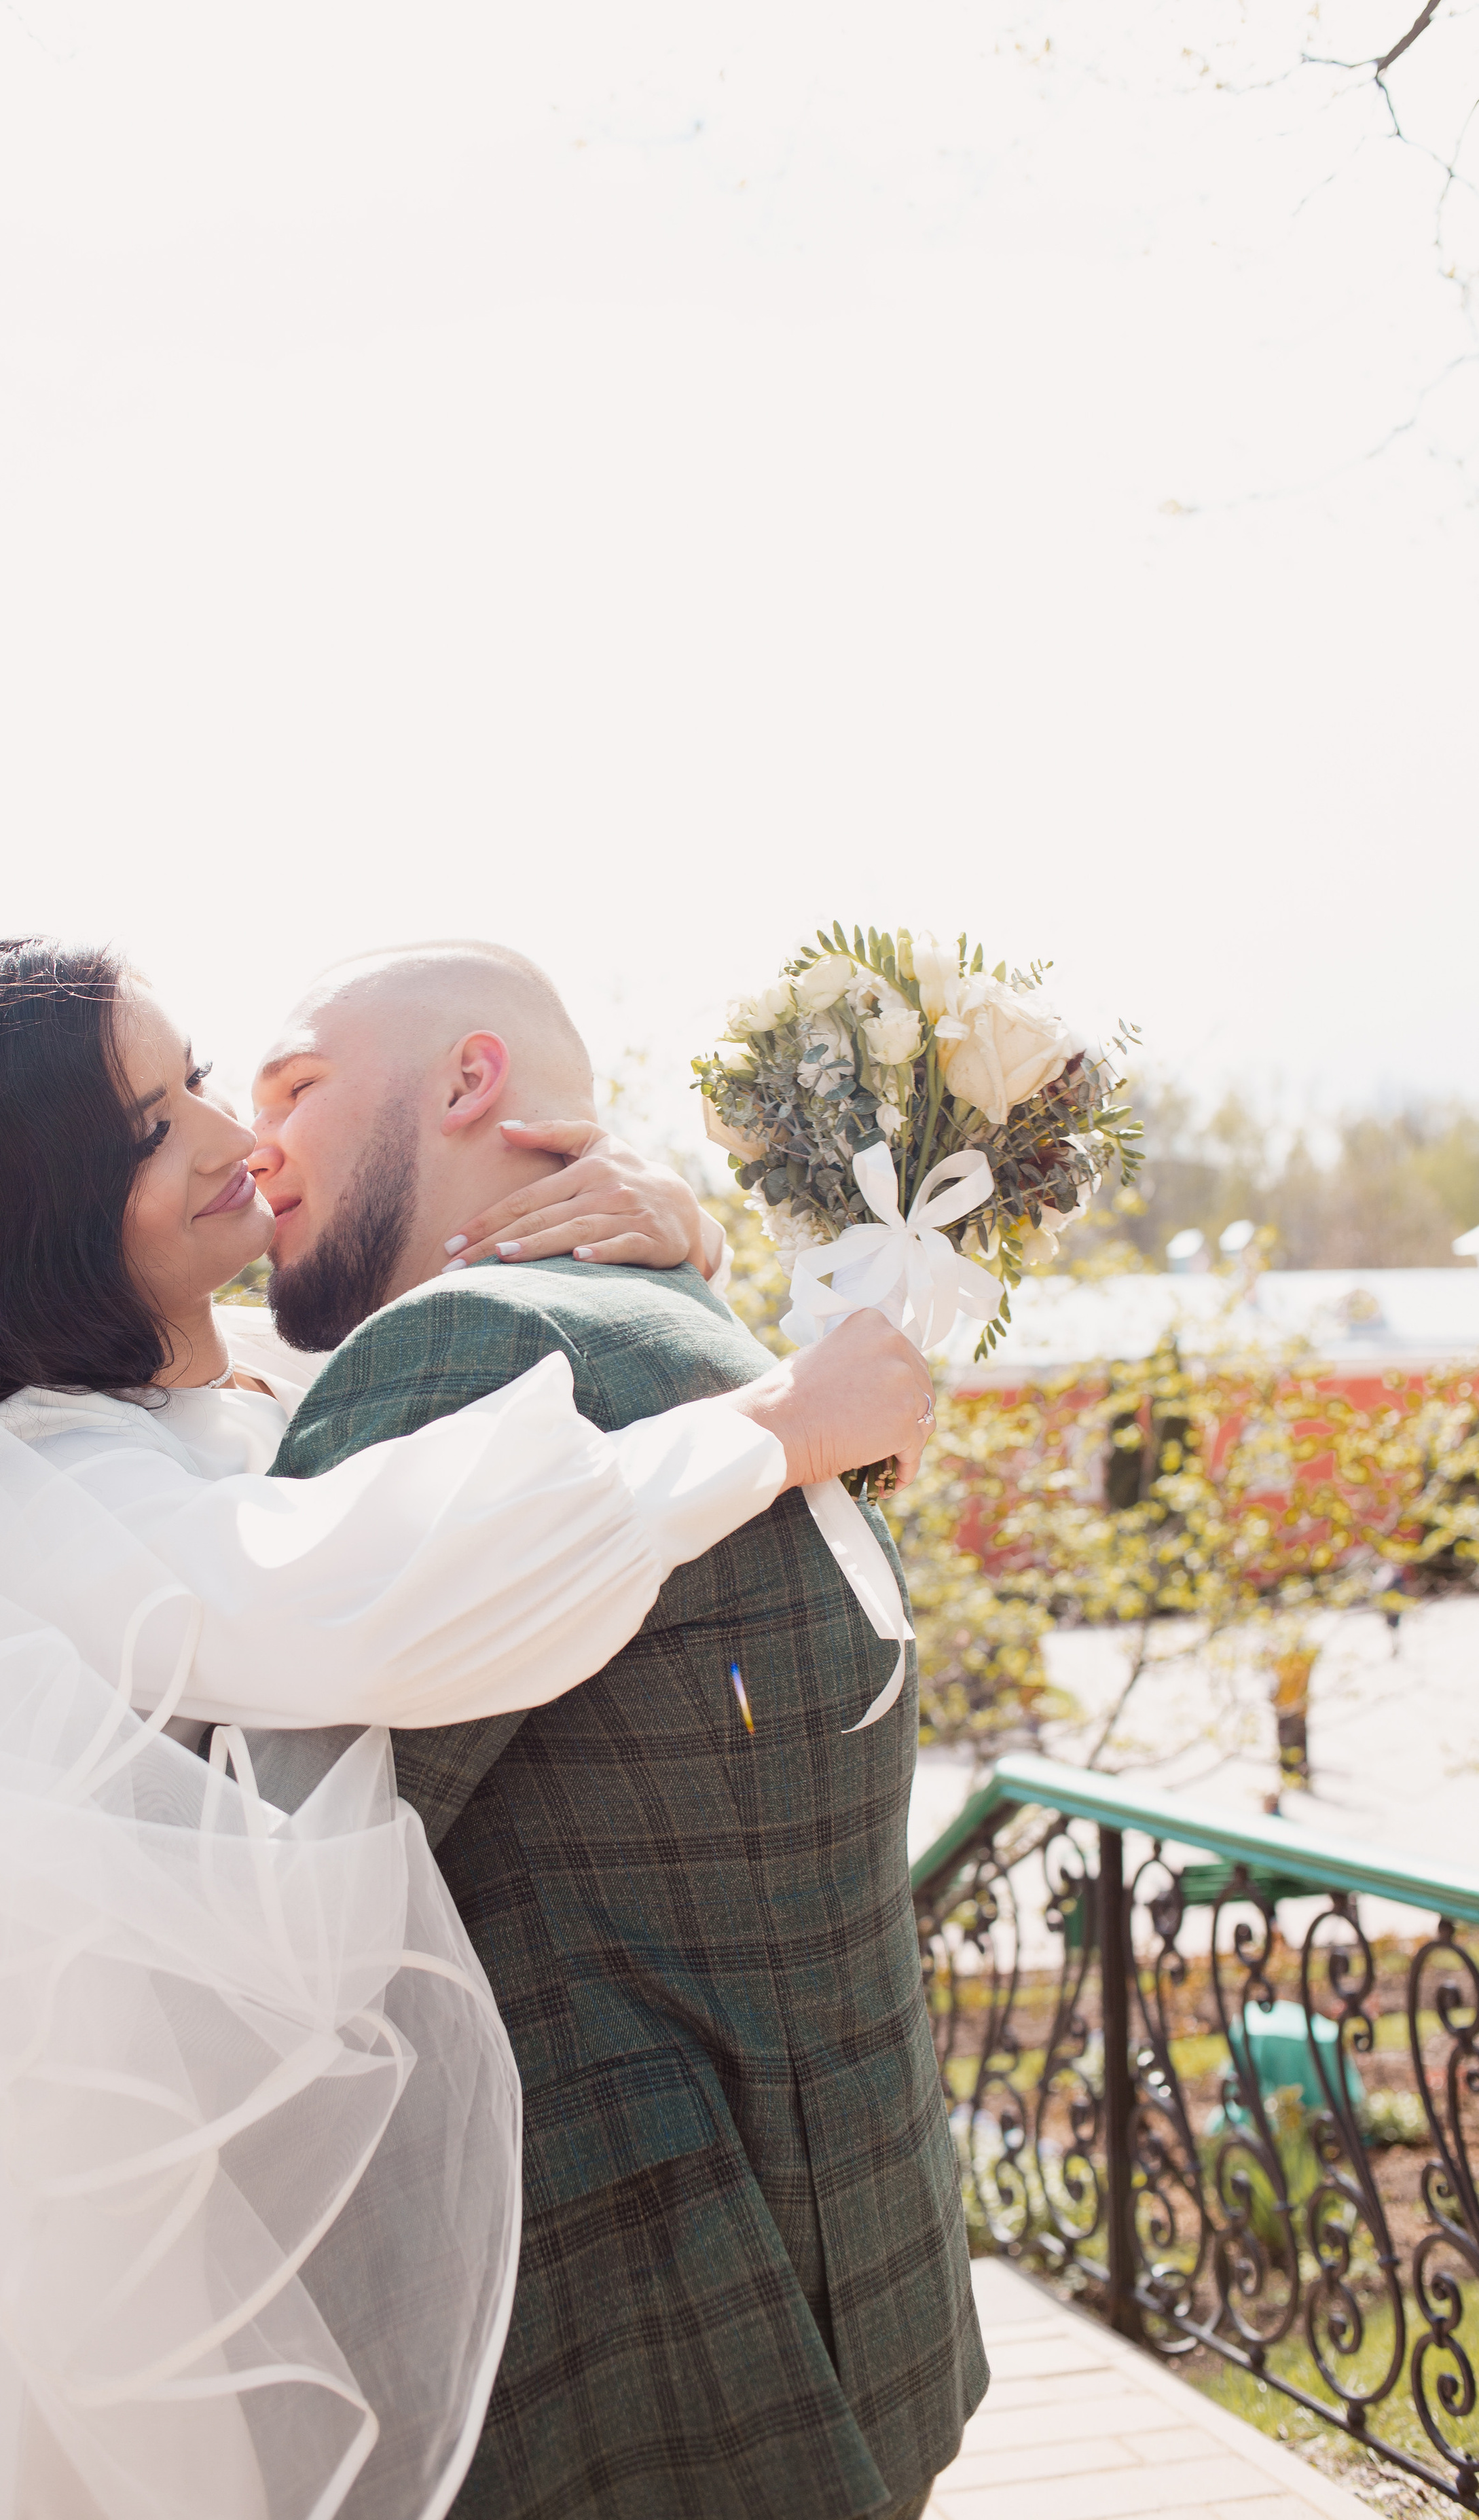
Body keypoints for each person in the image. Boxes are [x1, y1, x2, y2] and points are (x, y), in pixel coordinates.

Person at [0, 939, 941, 2520]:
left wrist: (672, 1231)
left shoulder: (193, 1398)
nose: (231, 1133)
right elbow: (361, 1591)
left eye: (201, 1078)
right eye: (153, 1121)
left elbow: (377, 1380)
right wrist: (779, 1421)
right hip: (57, 2302)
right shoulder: (40, 1484)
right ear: (42, 1208)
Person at [250, 942, 987, 2520]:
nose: (256, 1148)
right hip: (859, 2303)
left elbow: (266, 1906)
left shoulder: (464, 1352)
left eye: (294, 1086)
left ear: (469, 1079)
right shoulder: (698, 1331)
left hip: (647, 2379)